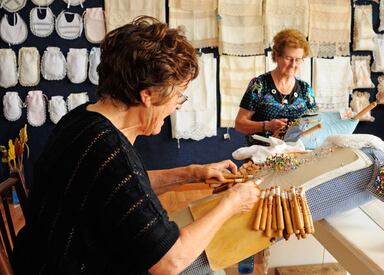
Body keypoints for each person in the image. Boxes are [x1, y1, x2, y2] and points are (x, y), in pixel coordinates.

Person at [12, 16, 260, 274]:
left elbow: (120, 191)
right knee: (201, 265)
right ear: (148, 95)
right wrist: (232, 202)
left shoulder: (80, 120)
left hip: (37, 259)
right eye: (177, 95)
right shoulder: (112, 152)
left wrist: (191, 173)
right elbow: (169, 261)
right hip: (65, 265)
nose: (177, 105)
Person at [235, 29, 317, 144]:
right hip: (262, 156)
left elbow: (315, 122)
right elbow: (239, 124)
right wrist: (266, 126)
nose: (293, 65)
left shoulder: (305, 88)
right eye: (288, 58)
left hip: (297, 156)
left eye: (298, 59)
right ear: (277, 56)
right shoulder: (259, 85)